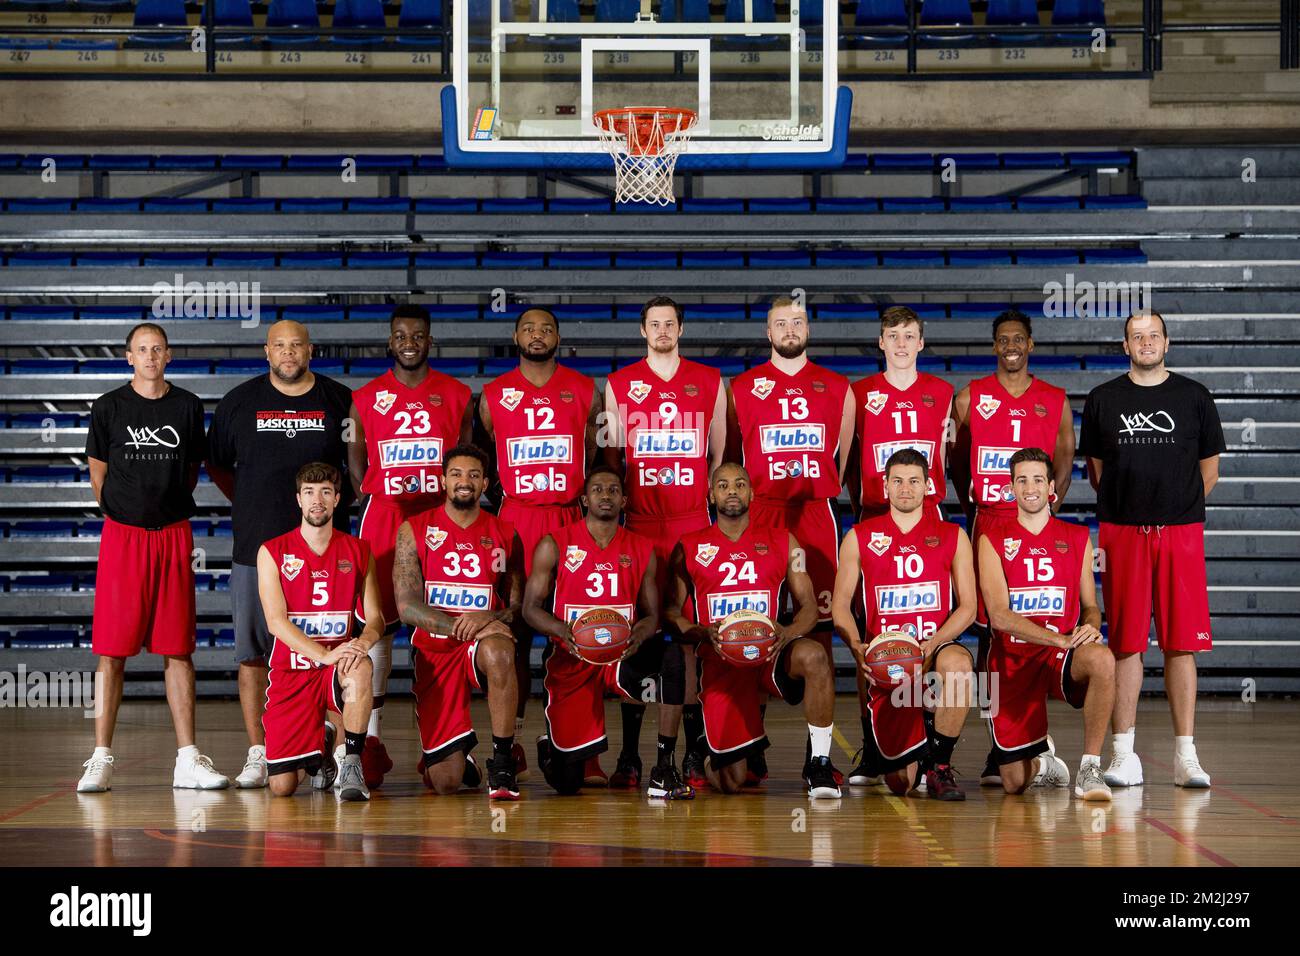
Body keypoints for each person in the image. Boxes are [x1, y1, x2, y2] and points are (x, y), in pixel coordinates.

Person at [77, 323, 229, 793]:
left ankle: (187, 759)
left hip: (172, 537)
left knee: (178, 649)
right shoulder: (108, 407)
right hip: (123, 539)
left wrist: (161, 512)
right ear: (128, 357)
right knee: (110, 653)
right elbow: (98, 476)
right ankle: (100, 757)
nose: (149, 356)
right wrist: (126, 512)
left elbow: (189, 474)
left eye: (157, 349)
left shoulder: (186, 406)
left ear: (168, 356)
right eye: (141, 350)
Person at [208, 320, 354, 790]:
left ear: (310, 350)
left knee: (332, 647)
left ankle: (335, 748)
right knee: (254, 654)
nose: (288, 353)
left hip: (327, 551)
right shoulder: (239, 402)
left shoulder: (337, 399)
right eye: (279, 346)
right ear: (266, 351)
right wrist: (254, 503)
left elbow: (355, 469)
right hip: (256, 546)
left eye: (296, 345)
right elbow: (217, 465)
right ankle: (259, 750)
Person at [1079, 311, 1223, 789]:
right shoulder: (1103, 399)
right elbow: (1098, 470)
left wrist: (1174, 508)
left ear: (1167, 342)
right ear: (1125, 346)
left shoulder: (1195, 396)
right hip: (1122, 532)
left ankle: (1187, 756)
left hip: (1180, 532)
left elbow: (1210, 471)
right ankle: (1124, 754)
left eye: (1153, 336)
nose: (1145, 343)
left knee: (1183, 644)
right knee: (1126, 644)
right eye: (1136, 337)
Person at [728, 295, 854, 783]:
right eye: (780, 323)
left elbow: (840, 462)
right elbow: (732, 460)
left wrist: (819, 488)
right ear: (768, 332)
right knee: (752, 616)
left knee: (819, 626)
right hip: (761, 513)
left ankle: (816, 757)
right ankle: (751, 742)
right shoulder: (742, 386)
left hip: (816, 514)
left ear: (808, 328)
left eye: (797, 321)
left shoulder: (838, 386)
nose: (789, 329)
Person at [603, 295, 726, 791]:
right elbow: (613, 461)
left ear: (680, 329)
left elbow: (719, 457)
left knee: (691, 637)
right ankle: (631, 754)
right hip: (641, 526)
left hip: (692, 522)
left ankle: (694, 750)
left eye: (669, 324)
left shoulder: (709, 382)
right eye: (654, 324)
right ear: (642, 331)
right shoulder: (619, 384)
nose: (662, 331)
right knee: (641, 634)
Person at [948, 309, 1075, 786]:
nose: (1012, 346)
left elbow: (1064, 462)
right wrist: (977, 509)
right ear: (994, 345)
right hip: (989, 524)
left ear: (1031, 344)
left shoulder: (1055, 400)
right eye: (1003, 340)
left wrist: (1046, 516)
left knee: (1035, 630)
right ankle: (999, 744)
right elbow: (957, 465)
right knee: (990, 637)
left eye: (1019, 339)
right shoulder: (970, 397)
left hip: (1036, 528)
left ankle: (1036, 742)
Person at [348, 304, 472, 789]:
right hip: (384, 518)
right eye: (400, 334)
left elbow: (465, 460)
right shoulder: (366, 398)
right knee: (377, 629)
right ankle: (370, 743)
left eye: (417, 334)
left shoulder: (457, 394)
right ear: (390, 339)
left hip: (438, 524)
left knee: (437, 631)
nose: (409, 341)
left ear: (429, 340)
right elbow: (357, 470)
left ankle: (441, 742)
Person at [480, 307, 604, 784]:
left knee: (578, 636)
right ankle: (513, 743)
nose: (537, 335)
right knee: (515, 638)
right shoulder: (493, 397)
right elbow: (485, 465)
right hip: (516, 520)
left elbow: (594, 457)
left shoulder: (586, 391)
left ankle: (579, 744)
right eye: (529, 328)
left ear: (558, 336)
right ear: (516, 336)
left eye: (546, 328)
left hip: (569, 518)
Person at [665, 463, 840, 798]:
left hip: (768, 656)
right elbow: (672, 611)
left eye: (740, 484)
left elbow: (809, 607)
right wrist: (702, 632)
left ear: (752, 493)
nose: (732, 491)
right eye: (724, 485)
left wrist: (787, 633)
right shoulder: (688, 546)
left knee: (815, 656)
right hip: (721, 662)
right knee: (731, 782)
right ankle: (708, 744)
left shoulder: (787, 543)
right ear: (711, 494)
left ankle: (819, 762)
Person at [846, 305, 955, 773]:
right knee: (871, 641)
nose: (903, 343)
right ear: (881, 342)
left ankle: (929, 743)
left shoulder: (943, 393)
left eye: (911, 335)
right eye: (894, 335)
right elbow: (849, 462)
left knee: (927, 633)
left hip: (928, 523)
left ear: (922, 342)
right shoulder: (860, 392)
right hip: (875, 525)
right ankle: (873, 746)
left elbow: (952, 457)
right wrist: (865, 511)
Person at [831, 450, 977, 799]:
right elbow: (839, 607)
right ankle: (915, 737)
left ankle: (940, 765)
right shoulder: (859, 537)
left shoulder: (953, 535)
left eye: (914, 481)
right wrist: (857, 647)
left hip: (933, 646)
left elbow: (968, 608)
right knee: (901, 784)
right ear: (885, 487)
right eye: (897, 481)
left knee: (959, 664)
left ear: (928, 486)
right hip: (888, 659)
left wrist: (933, 642)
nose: (905, 488)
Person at [977, 448, 1115, 801]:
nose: (1030, 487)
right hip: (1012, 659)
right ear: (1010, 488)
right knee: (1012, 782)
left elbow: (1090, 606)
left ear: (1051, 487)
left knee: (1101, 658)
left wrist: (1091, 627)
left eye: (1038, 479)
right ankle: (1046, 767)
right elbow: (999, 615)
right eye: (1021, 480)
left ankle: (1090, 767)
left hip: (1059, 657)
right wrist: (1058, 639)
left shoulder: (1076, 537)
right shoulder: (991, 539)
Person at [520, 468, 665, 796]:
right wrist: (561, 629)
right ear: (585, 499)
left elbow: (652, 615)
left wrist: (639, 634)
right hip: (571, 655)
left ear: (623, 501)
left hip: (620, 654)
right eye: (598, 489)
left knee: (664, 661)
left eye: (613, 490)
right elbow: (530, 608)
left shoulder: (642, 548)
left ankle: (635, 758)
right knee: (567, 784)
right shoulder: (554, 543)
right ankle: (553, 746)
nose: (605, 495)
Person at [393, 444, 524, 800]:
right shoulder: (413, 530)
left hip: (484, 642)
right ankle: (460, 755)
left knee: (500, 651)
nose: (464, 482)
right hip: (435, 648)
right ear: (442, 481)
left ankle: (502, 761)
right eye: (456, 474)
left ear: (485, 484)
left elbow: (516, 608)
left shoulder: (506, 533)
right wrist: (459, 626)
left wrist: (490, 618)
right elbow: (406, 606)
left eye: (473, 475)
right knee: (446, 784)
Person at [257, 462, 382, 800]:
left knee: (360, 668)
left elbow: (376, 619)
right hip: (292, 673)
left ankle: (352, 760)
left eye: (326, 492)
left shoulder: (358, 551)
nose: (317, 500)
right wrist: (324, 655)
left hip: (336, 670)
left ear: (337, 499)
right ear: (298, 500)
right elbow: (275, 621)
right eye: (309, 493)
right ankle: (323, 745)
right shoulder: (272, 552)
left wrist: (362, 643)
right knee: (282, 788)